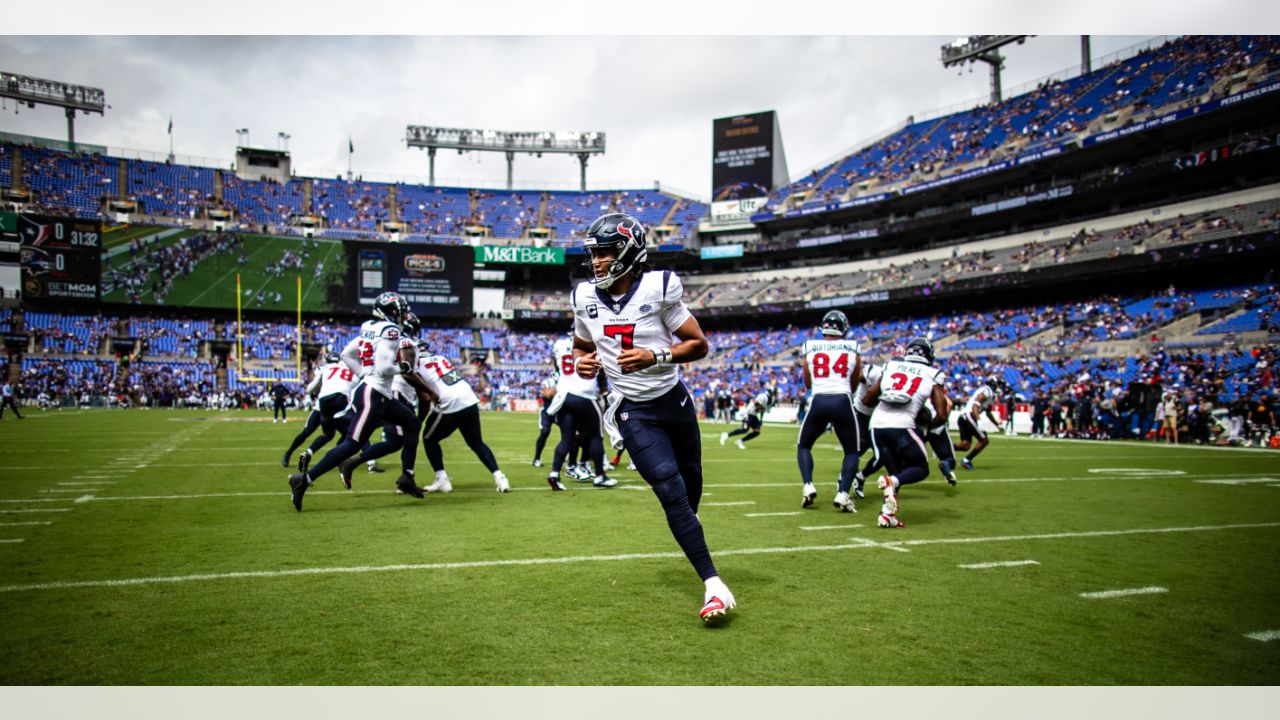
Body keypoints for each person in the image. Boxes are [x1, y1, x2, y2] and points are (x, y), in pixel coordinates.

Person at [571, 212, 734, 624]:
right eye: (595, 254)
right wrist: (583, 362)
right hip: (631, 409)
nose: (598, 262)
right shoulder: (585, 297)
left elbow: (699, 345)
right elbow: (579, 346)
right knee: (668, 486)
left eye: (606, 253)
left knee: (690, 487)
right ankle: (714, 585)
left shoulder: (658, 288)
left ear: (628, 253)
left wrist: (654, 355)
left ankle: (689, 534)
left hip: (674, 402)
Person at [288, 292, 424, 510]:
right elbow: (384, 368)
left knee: (413, 424)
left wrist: (363, 374)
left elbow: (346, 354)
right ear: (391, 312)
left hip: (379, 394)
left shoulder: (370, 327)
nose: (403, 315)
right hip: (373, 394)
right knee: (352, 444)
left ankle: (407, 476)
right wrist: (403, 367)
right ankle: (303, 479)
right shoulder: (390, 331)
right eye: (400, 311)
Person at [862, 337, 949, 529]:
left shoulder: (891, 366)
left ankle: (887, 515)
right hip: (902, 424)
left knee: (896, 473)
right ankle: (890, 485)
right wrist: (924, 429)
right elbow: (942, 414)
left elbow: (867, 399)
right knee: (919, 469)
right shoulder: (933, 374)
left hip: (876, 424)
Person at [413, 339, 510, 494]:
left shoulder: (416, 365)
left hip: (450, 403)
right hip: (468, 398)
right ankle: (500, 477)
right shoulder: (441, 359)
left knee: (428, 439)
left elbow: (423, 397)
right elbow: (454, 378)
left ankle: (442, 480)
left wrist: (418, 420)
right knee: (476, 443)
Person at [795, 310, 863, 512]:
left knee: (804, 445)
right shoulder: (853, 347)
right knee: (852, 451)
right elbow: (855, 381)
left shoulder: (810, 347)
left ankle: (808, 485)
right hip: (842, 399)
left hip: (819, 400)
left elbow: (807, 382)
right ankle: (842, 494)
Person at [546, 334, 614, 490]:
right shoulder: (591, 343)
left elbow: (557, 367)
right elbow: (601, 371)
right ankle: (599, 475)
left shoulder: (560, 344)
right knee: (597, 436)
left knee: (566, 439)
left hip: (564, 395)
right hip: (585, 394)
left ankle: (554, 474)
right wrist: (603, 390)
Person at [293, 350, 358, 476]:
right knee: (354, 431)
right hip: (340, 399)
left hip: (323, 402)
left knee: (328, 434)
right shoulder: (347, 367)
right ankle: (342, 458)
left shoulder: (324, 369)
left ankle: (308, 453)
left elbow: (309, 389)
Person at [954, 376, 1003, 470]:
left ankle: (943, 449)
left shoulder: (989, 393)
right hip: (970, 415)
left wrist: (996, 424)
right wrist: (979, 420)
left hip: (963, 416)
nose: (999, 387)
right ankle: (966, 461)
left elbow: (988, 412)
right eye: (999, 385)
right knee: (984, 440)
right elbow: (975, 406)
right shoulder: (987, 390)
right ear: (994, 384)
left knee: (965, 445)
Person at [531, 372, 558, 467]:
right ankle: (536, 458)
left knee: (571, 432)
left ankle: (570, 460)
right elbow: (547, 396)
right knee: (545, 431)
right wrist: (558, 387)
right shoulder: (548, 382)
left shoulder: (569, 381)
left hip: (560, 412)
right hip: (547, 411)